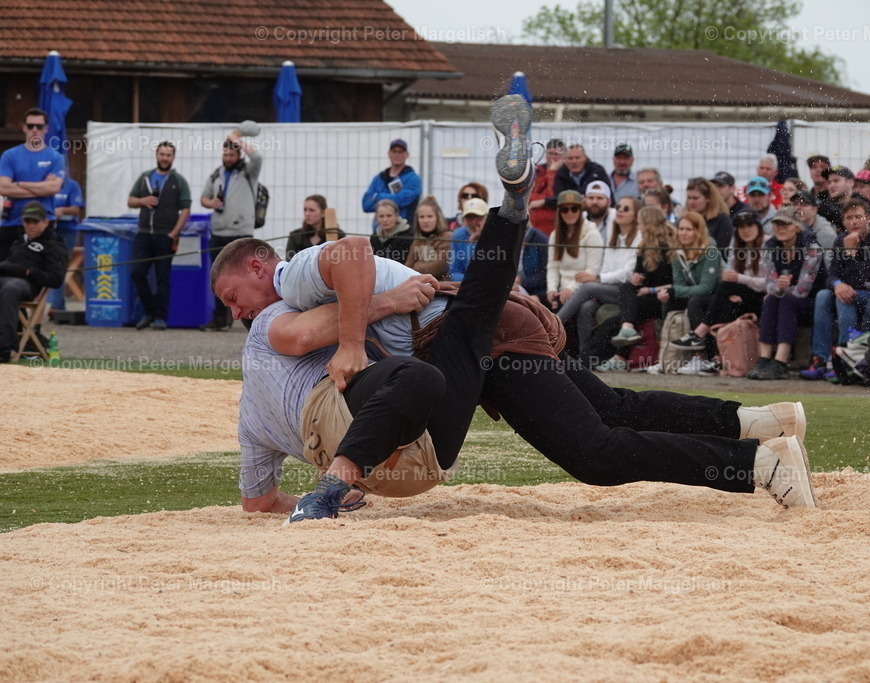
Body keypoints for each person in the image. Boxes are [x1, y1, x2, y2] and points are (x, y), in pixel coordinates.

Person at [213, 89, 818, 519]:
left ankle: (760, 465)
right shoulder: (291, 302)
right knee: (614, 407)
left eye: (234, 297)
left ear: (258, 266)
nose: (238, 313)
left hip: (474, 337)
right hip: (479, 326)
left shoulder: (290, 278)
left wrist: (358, 332)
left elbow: (349, 257)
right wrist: (380, 307)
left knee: (595, 453)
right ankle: (762, 425)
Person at [801, 198, 870, 380]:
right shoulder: (840, 239)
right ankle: (820, 358)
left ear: (868, 218)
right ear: (843, 222)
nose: (854, 221)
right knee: (823, 295)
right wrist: (837, 284)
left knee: (845, 298)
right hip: (848, 291)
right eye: (849, 218)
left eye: (858, 217)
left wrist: (850, 253)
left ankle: (843, 359)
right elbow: (831, 275)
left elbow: (865, 279)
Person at [671, 210, 767, 369]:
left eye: (750, 225)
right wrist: (736, 288)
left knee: (723, 289)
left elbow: (767, 284)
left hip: (762, 298)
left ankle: (700, 334)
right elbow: (729, 276)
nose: (745, 230)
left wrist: (739, 280)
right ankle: (716, 358)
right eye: (741, 227)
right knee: (708, 302)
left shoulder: (767, 246)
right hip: (738, 294)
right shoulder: (736, 246)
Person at [556, 195, 642, 364]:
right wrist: (600, 282)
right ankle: (586, 357)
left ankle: (555, 323)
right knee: (586, 307)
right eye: (618, 207)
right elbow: (606, 268)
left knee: (588, 287)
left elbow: (628, 273)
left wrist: (597, 279)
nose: (620, 211)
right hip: (609, 288)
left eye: (626, 208)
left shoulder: (639, 237)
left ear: (636, 214)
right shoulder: (614, 235)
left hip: (628, 292)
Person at [597, 206, 682, 371]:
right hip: (645, 297)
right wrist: (637, 278)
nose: (638, 227)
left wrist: (650, 290)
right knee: (626, 292)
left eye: (641, 223)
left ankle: (618, 355)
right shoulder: (643, 248)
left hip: (665, 297)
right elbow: (640, 277)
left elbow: (676, 283)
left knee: (622, 317)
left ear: (649, 225)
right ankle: (626, 332)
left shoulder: (669, 249)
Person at [747, 207, 824, 380]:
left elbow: (803, 290)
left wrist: (781, 288)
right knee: (771, 300)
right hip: (786, 299)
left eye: (786, 224)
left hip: (813, 302)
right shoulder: (769, 246)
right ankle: (764, 359)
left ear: (797, 226)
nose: (780, 228)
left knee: (786, 300)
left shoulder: (811, 247)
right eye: (777, 224)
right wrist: (780, 288)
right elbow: (769, 285)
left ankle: (780, 362)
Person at [199, 130, 263, 331]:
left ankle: (252, 318)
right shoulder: (216, 174)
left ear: (239, 155)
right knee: (217, 277)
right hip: (219, 232)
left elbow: (257, 157)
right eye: (225, 154)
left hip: (241, 232)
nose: (227, 158)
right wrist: (211, 203)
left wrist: (237, 139)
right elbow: (203, 198)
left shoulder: (248, 172)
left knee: (246, 277)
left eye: (231, 155)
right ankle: (220, 317)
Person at [126, 141, 191, 331]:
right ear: (156, 155)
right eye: (162, 154)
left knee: (163, 277)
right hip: (144, 233)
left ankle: (160, 317)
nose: (165, 158)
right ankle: (149, 311)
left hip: (166, 235)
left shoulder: (178, 180)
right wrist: (143, 201)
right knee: (136, 272)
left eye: (168, 155)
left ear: (173, 157)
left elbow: (186, 209)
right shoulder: (145, 177)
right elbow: (130, 201)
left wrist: (174, 233)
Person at [0, 201, 68, 362]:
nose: (31, 226)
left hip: (28, 285)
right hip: (6, 277)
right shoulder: (18, 242)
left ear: (46, 222)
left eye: (35, 221)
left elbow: (56, 279)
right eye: (27, 221)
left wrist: (29, 272)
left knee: (10, 289)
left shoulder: (54, 245)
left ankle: (4, 348)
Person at [0, 108, 66, 261]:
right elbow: (3, 187)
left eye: (39, 126)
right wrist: (42, 187)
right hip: (13, 221)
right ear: (24, 128)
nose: (35, 130)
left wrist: (19, 184)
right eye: (30, 126)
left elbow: (53, 188)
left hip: (43, 223)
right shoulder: (10, 156)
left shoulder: (55, 157)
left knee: (41, 270)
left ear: (46, 129)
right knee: (5, 270)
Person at [665, 211, 724, 376]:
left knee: (696, 301)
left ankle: (703, 356)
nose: (683, 233)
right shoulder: (677, 252)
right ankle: (666, 356)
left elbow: (707, 287)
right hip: (697, 294)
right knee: (668, 299)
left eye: (688, 229)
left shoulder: (710, 250)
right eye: (681, 229)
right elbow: (679, 284)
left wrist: (674, 290)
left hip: (720, 295)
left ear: (698, 231)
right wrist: (672, 291)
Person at [545, 190, 602, 311]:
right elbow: (553, 267)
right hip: (561, 290)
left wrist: (570, 289)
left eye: (574, 209)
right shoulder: (555, 235)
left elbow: (592, 270)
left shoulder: (592, 234)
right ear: (559, 212)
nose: (570, 213)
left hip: (584, 290)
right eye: (565, 209)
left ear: (581, 211)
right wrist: (551, 289)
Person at [47, 174, 85, 312]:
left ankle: (56, 306)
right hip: (47, 229)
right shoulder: (44, 184)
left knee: (59, 265)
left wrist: (62, 210)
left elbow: (76, 209)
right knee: (46, 265)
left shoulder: (72, 185)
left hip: (66, 230)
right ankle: (52, 305)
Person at [361, 138, 421, 224]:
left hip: (404, 227)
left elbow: (402, 200)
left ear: (407, 155)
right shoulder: (378, 179)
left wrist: (378, 197)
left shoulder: (413, 179)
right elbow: (366, 205)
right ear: (389, 154)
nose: (397, 154)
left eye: (401, 151)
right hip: (380, 229)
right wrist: (393, 199)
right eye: (394, 151)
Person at [405, 196, 451, 279]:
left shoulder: (447, 237)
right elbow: (407, 268)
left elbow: (436, 269)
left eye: (430, 216)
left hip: (441, 284)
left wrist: (416, 265)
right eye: (422, 217)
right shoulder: (417, 240)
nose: (425, 221)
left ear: (438, 218)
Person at [286, 195, 339, 261]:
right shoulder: (295, 236)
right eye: (305, 210)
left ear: (323, 213)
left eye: (311, 210)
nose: (307, 214)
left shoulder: (337, 235)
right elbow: (290, 262)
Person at [527, 139, 563, 236]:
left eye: (556, 154)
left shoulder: (565, 175)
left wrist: (552, 171)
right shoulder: (537, 171)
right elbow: (530, 196)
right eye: (550, 153)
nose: (553, 157)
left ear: (563, 157)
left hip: (552, 226)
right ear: (546, 154)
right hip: (533, 224)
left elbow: (552, 196)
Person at [686, 176, 733, 248]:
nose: (691, 202)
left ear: (708, 198)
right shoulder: (684, 220)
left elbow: (721, 250)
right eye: (689, 198)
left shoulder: (722, 221)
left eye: (695, 198)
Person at [448, 197, 488, 281]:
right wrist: (470, 281)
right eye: (469, 217)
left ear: (486, 217)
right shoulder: (458, 235)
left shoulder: (496, 234)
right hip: (467, 283)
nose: (473, 222)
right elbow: (455, 271)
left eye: (477, 217)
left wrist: (482, 238)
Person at [369, 199, 414, 264]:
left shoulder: (408, 236)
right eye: (381, 216)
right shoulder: (374, 237)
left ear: (396, 216)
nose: (385, 219)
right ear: (376, 218)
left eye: (389, 216)